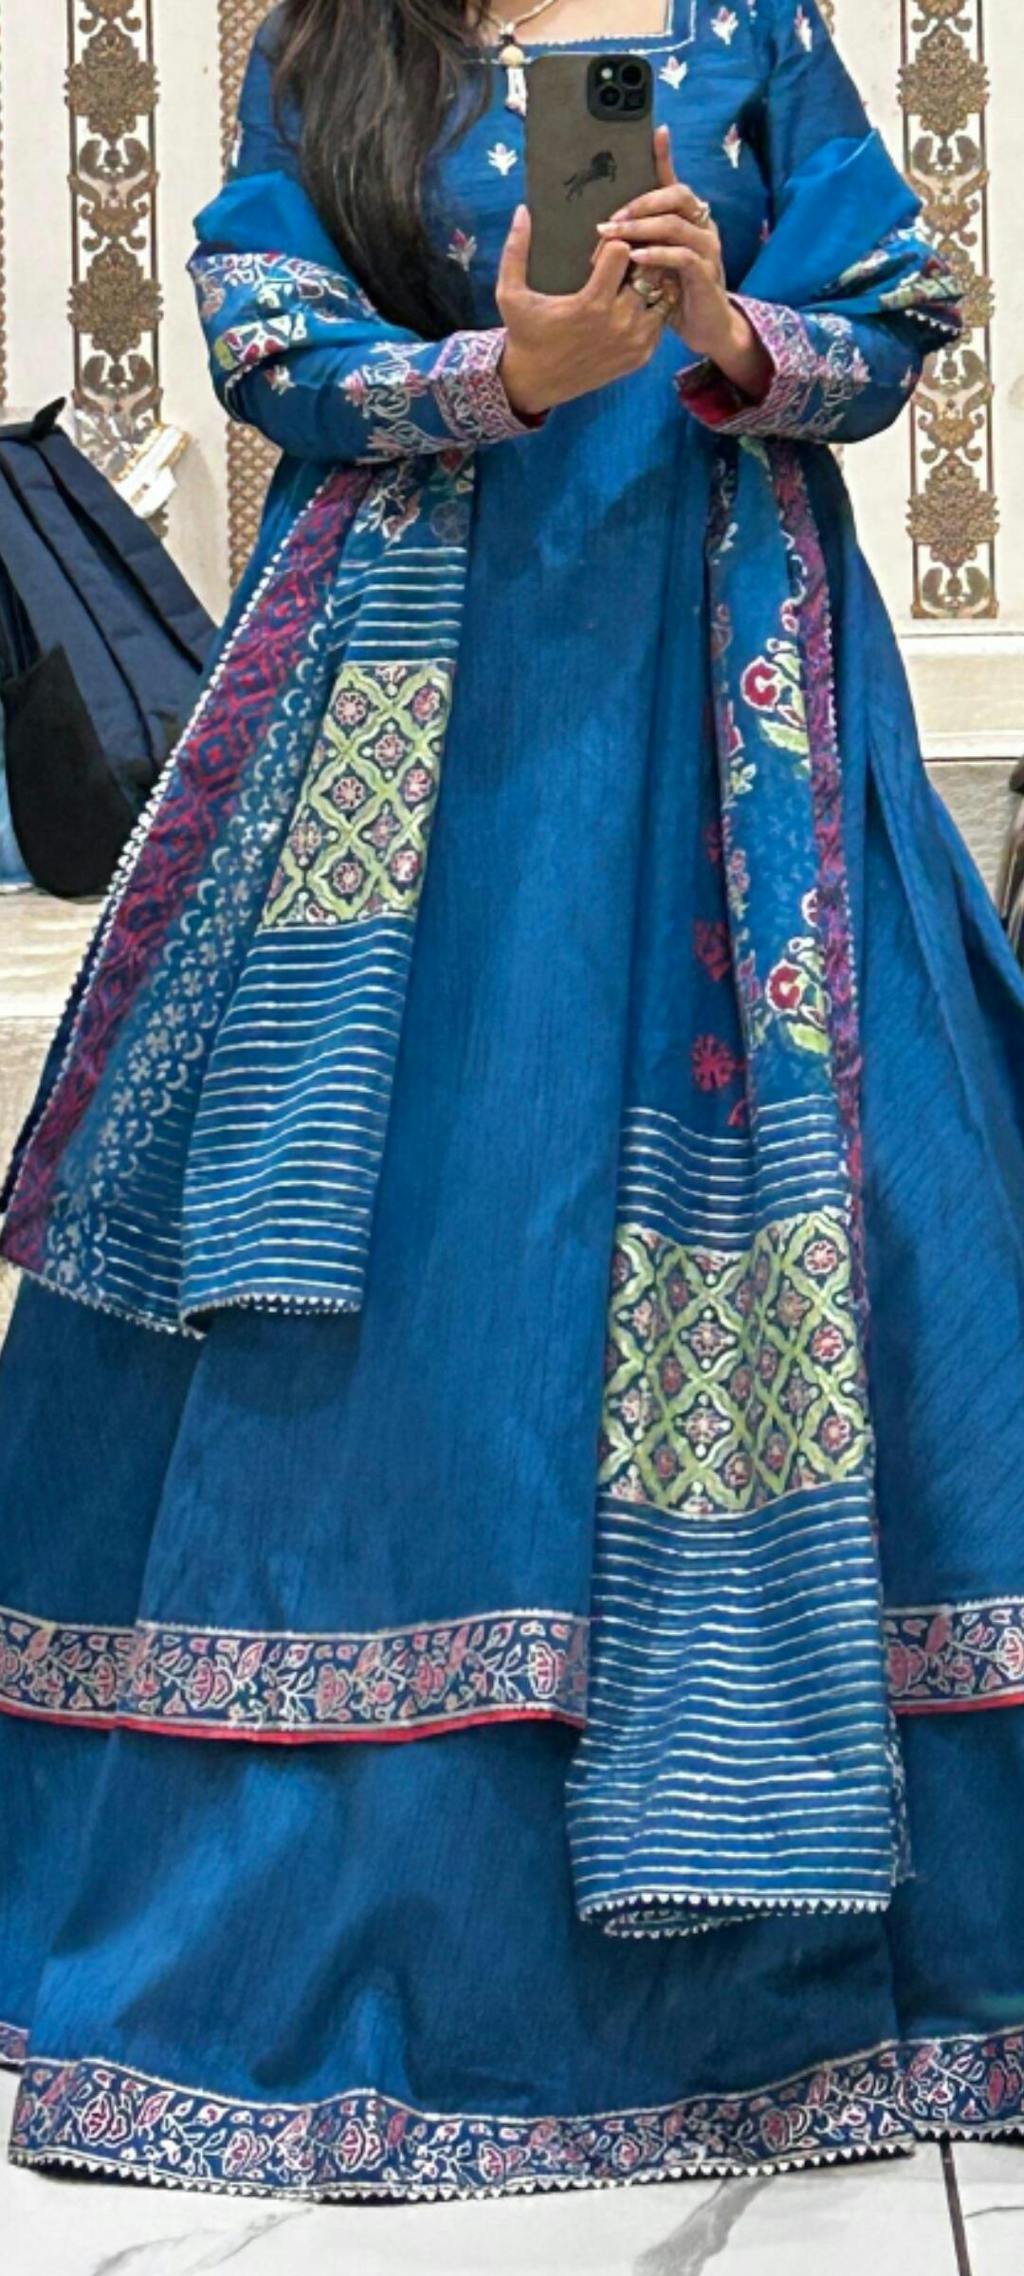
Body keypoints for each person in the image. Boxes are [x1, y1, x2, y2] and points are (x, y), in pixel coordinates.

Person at [2, 0, 1023, 2203]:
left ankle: (810, 1897)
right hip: (418, 747)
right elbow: (261, 329)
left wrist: (724, 331)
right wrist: (511, 370)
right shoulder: (336, 47)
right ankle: (338, 1922)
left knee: (899, 1213)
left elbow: (895, 306)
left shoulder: (749, 30)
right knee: (412, 1267)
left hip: (736, 720)